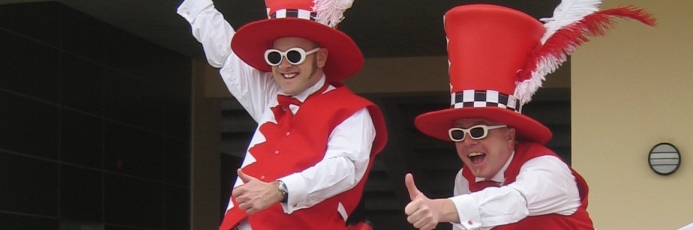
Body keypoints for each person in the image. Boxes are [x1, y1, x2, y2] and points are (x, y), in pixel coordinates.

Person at [403, 2, 654, 230]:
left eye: (479, 131)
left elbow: (516, 200)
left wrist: (445, 208)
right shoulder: (464, 179)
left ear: (510, 135)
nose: (468, 141)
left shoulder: (547, 169)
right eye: (459, 134)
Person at [176, 0, 388, 229]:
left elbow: (343, 168)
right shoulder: (270, 95)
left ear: (320, 58)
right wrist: (198, 7)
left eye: (295, 56)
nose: (284, 65)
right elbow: (228, 54)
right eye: (275, 57)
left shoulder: (353, 112)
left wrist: (280, 189)